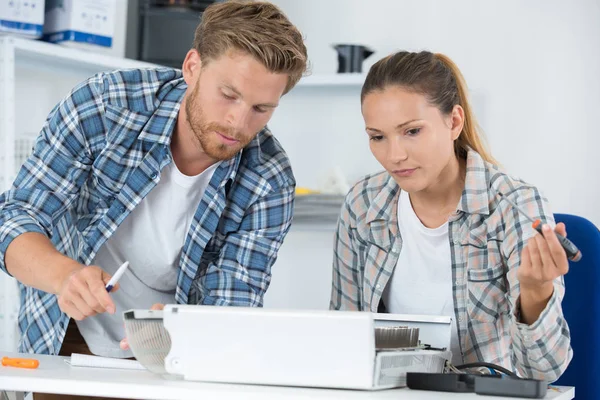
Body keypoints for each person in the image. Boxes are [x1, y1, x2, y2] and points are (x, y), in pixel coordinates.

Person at [0, 0, 307, 388]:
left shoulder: (268, 178)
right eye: (228, 94)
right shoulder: (104, 106)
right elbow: (15, 217)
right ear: (192, 67)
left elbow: (233, 303)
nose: (239, 122)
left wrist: (191, 329)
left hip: (176, 356)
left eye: (262, 108)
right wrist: (65, 277)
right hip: (67, 334)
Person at [329, 50, 572, 381]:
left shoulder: (514, 206)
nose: (394, 155)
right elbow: (343, 342)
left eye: (412, 131)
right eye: (378, 137)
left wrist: (535, 291)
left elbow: (544, 371)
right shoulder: (362, 204)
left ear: (454, 122)